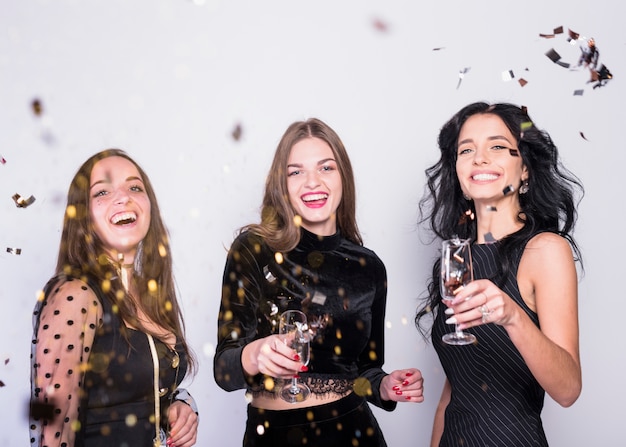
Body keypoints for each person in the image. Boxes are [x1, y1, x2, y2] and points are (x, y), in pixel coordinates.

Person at [214, 118, 424, 446]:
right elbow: (224, 370)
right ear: (281, 185)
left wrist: (384, 386)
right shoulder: (253, 249)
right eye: (295, 171)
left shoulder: (369, 267)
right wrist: (254, 355)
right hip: (273, 437)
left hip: (353, 432)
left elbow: (365, 370)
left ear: (343, 178)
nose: (312, 181)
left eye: (326, 168)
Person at [415, 102, 583, 446]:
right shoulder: (455, 260)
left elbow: (568, 390)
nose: (480, 158)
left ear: (525, 170)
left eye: (497, 146)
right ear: (458, 172)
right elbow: (454, 389)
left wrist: (512, 316)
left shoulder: (545, 250)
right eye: (467, 149)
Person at [30, 149, 199, 447]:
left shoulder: (149, 293)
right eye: (102, 192)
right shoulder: (75, 295)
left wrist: (182, 406)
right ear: (82, 216)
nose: (124, 198)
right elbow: (53, 429)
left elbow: (145, 387)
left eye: (135, 187)